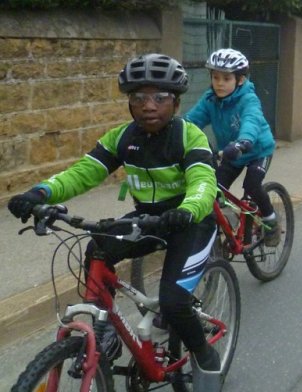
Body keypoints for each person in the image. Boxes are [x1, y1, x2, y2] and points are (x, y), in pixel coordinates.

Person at [7, 54, 222, 372]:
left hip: (192, 222)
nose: (149, 105)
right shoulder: (123, 138)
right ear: (129, 103)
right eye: (138, 97)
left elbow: (204, 183)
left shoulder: (189, 136)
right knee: (97, 248)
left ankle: (207, 357)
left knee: (174, 303)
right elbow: (82, 173)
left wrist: (188, 210)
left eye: (160, 97)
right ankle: (105, 329)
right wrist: (40, 193)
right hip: (150, 219)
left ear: (176, 103)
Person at [184, 48, 280, 247]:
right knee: (214, 189)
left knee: (252, 186)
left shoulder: (248, 99)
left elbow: (251, 121)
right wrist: (175, 133)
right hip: (231, 152)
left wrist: (243, 142)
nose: (219, 83)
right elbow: (191, 122)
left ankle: (271, 220)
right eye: (216, 77)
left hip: (256, 150)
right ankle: (230, 224)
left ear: (240, 80)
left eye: (226, 78)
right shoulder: (209, 100)